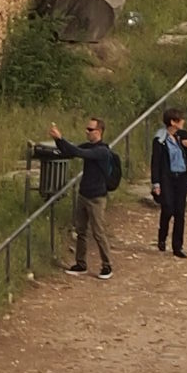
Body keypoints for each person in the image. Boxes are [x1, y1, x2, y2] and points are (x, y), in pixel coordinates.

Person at [51, 115, 121, 273]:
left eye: (90, 129)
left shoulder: (102, 151)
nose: (87, 131)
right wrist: (58, 141)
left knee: (98, 232)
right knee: (80, 231)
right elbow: (71, 151)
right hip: (83, 195)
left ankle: (107, 265)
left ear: (99, 132)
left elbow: (78, 152)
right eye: (87, 128)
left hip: (97, 198)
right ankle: (81, 264)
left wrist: (61, 138)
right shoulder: (89, 147)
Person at [151, 113, 187, 256]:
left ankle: (178, 246)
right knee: (168, 208)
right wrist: (156, 183)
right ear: (173, 122)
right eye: (180, 120)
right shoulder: (160, 139)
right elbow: (155, 162)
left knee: (180, 213)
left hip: (182, 177)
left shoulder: (182, 135)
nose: (183, 122)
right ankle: (162, 236)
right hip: (167, 178)